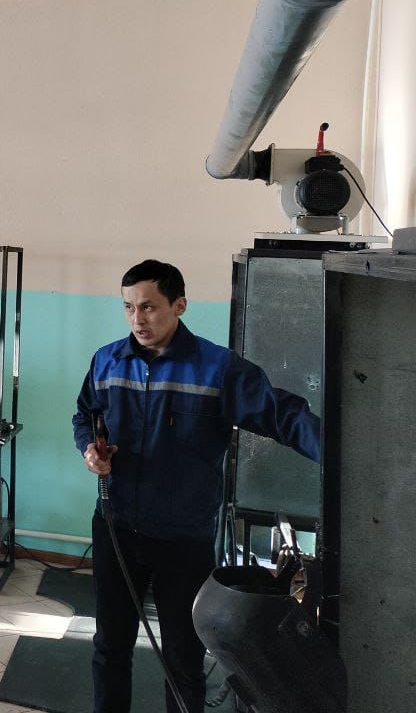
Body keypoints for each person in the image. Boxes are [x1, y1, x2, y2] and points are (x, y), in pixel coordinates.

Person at [72, 259, 322, 713]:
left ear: (180, 305)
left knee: (183, 657)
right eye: (129, 307)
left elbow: (281, 414)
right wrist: (90, 447)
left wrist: (339, 455)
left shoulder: (217, 369)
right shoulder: (107, 360)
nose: (137, 319)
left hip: (183, 539)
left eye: (149, 306)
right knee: (110, 645)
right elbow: (85, 414)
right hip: (116, 526)